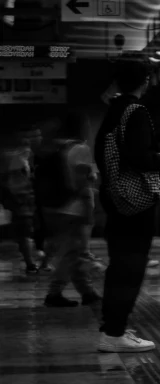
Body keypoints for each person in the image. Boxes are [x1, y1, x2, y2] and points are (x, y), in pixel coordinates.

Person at [94, 59, 160, 352]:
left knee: (119, 266)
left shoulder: (111, 113)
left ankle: (111, 329)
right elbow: (139, 156)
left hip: (115, 199)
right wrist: (159, 160)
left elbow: (104, 156)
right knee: (131, 267)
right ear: (146, 81)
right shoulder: (135, 112)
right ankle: (114, 334)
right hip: (136, 203)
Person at [39, 113, 101, 307]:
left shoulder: (58, 148)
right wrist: (89, 209)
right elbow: (82, 180)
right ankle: (54, 293)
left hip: (53, 207)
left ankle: (87, 292)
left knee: (73, 253)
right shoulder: (80, 149)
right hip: (72, 208)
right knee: (71, 254)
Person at [1, 139, 39, 274]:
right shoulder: (17, 161)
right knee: (24, 233)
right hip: (22, 202)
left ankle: (31, 262)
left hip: (21, 202)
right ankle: (31, 264)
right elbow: (16, 184)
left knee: (24, 233)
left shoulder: (19, 161)